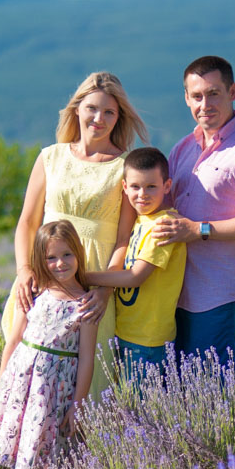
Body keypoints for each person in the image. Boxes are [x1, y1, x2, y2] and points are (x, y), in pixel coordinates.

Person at [1, 71, 147, 399]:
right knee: (30, 369)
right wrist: (24, 271)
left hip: (94, 287)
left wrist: (104, 291)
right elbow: (27, 222)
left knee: (87, 380)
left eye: (110, 112)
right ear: (77, 109)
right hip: (44, 274)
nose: (99, 118)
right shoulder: (50, 157)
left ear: (119, 117)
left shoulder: (125, 166)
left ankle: (83, 449)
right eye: (92, 108)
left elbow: (125, 238)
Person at [152, 55, 235, 365]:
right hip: (173, 292)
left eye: (213, 93)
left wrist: (199, 230)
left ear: (232, 92)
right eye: (197, 96)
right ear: (186, 98)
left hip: (218, 295)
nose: (204, 104)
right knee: (174, 393)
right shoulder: (183, 148)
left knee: (206, 394)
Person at [0, 220, 99, 469]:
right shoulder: (35, 292)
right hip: (21, 387)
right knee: (21, 456)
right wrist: (3, 385)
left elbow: (86, 360)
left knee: (41, 458)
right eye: (51, 258)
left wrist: (77, 405)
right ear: (41, 260)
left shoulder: (85, 304)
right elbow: (13, 340)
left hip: (53, 393)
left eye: (67, 254)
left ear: (78, 254)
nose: (60, 263)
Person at [84, 147, 186, 389]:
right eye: (136, 187)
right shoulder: (141, 221)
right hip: (126, 333)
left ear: (167, 186)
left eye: (152, 186)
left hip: (149, 339)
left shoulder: (165, 224)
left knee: (140, 414)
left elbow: (135, 277)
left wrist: (82, 276)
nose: (142, 194)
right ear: (124, 187)